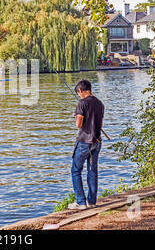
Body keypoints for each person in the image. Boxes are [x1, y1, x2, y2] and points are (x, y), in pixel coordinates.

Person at [68, 80, 105, 210]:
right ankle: (92, 201)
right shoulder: (100, 103)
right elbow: (100, 125)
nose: (79, 95)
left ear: (81, 91)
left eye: (78, 93)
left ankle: (81, 202)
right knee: (92, 171)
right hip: (97, 141)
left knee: (75, 170)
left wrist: (76, 117)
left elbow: (78, 124)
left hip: (84, 142)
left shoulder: (82, 103)